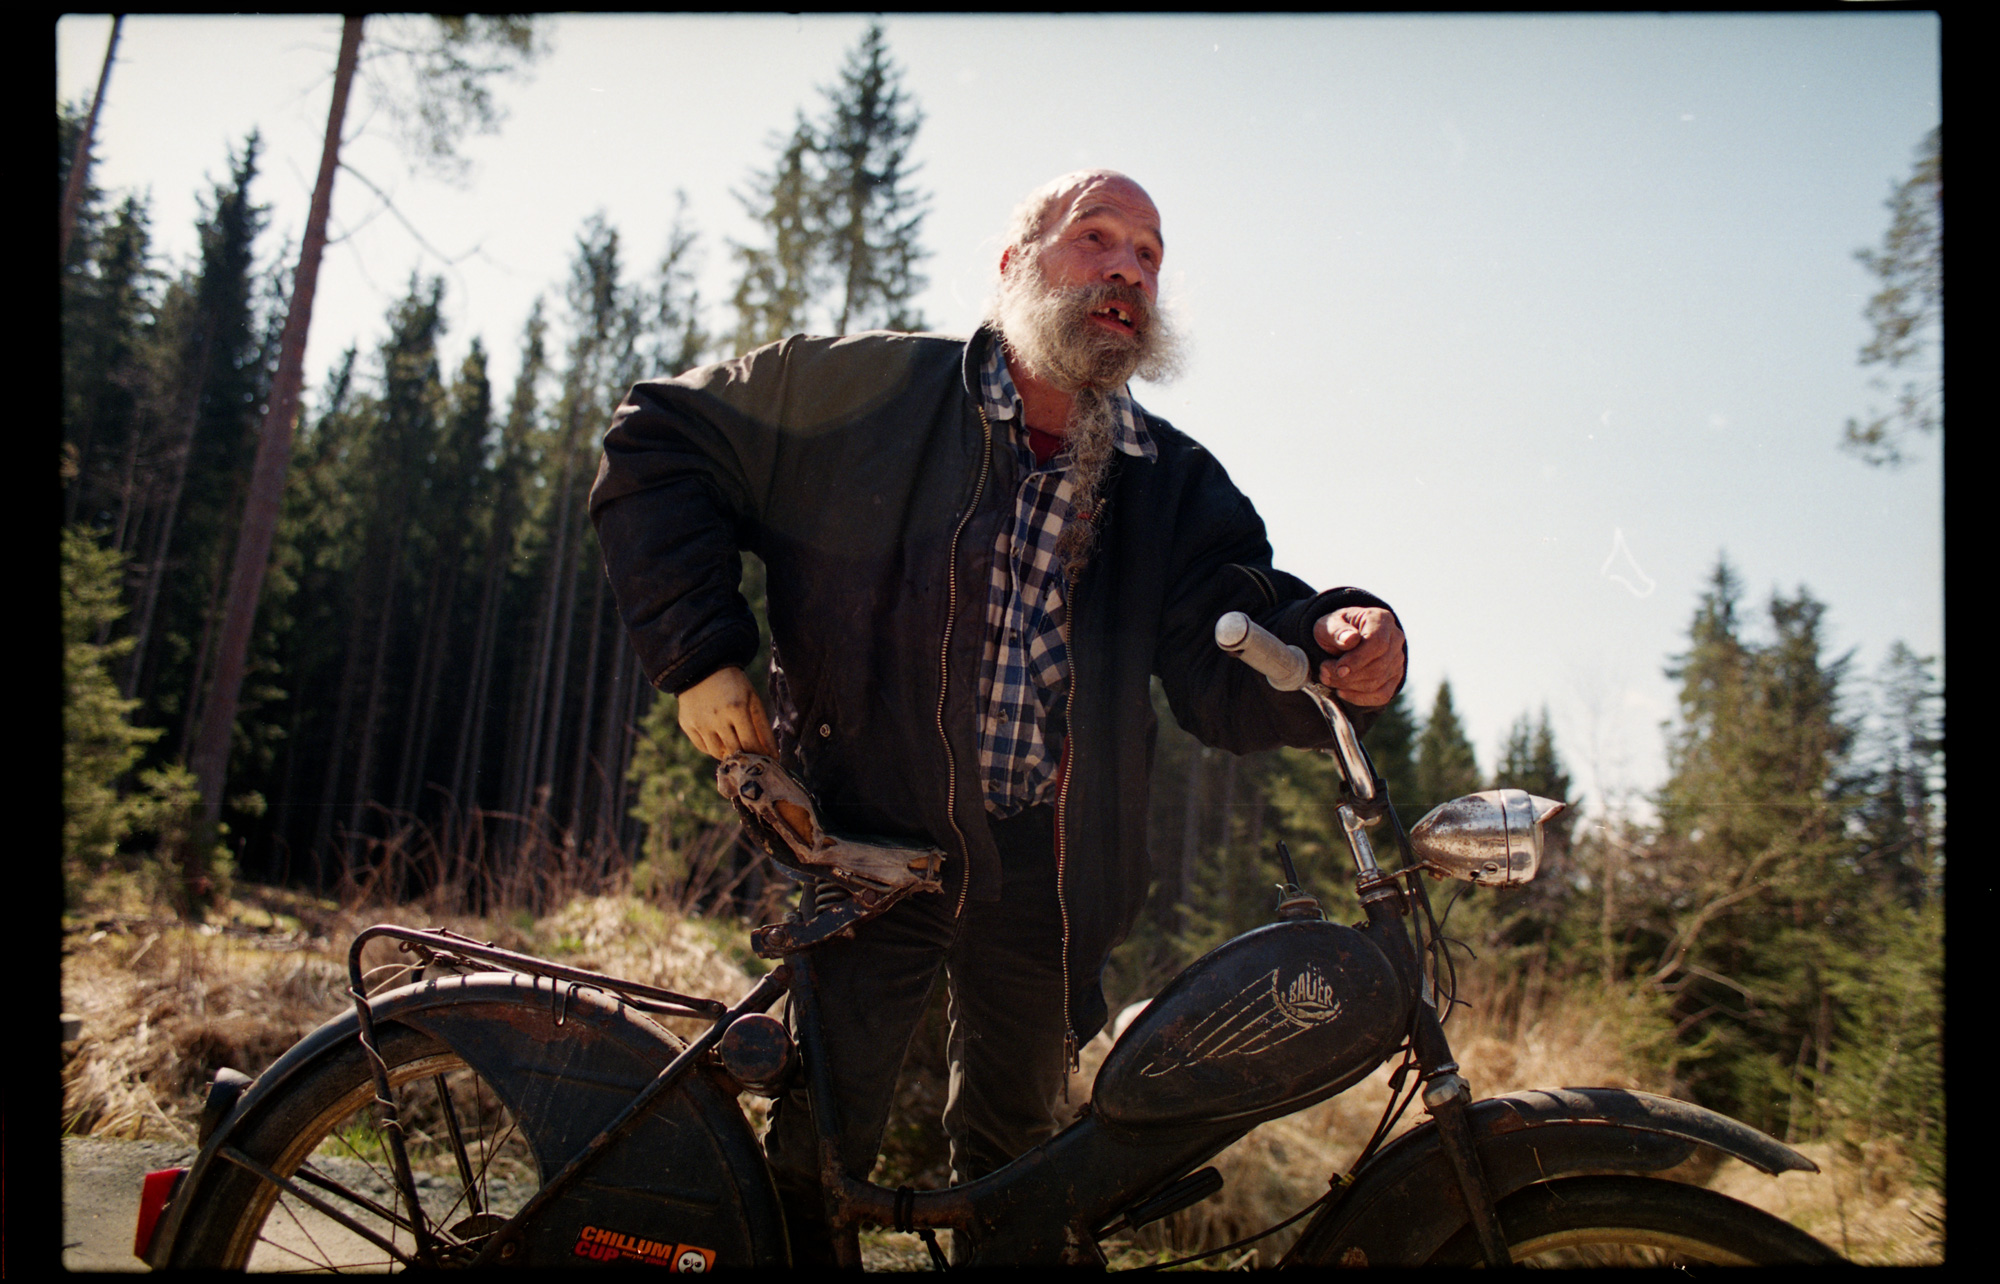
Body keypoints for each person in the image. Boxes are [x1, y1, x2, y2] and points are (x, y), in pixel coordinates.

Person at [589, 169, 1406, 1261]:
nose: (1126, 269)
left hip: (1046, 876)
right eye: (1097, 238)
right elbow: (659, 437)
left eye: (1150, 256)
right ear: (1015, 265)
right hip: (865, 837)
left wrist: (1337, 643)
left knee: (1020, 1164)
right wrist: (700, 655)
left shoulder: (1169, 482)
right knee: (819, 1147)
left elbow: (1230, 649)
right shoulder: (873, 393)